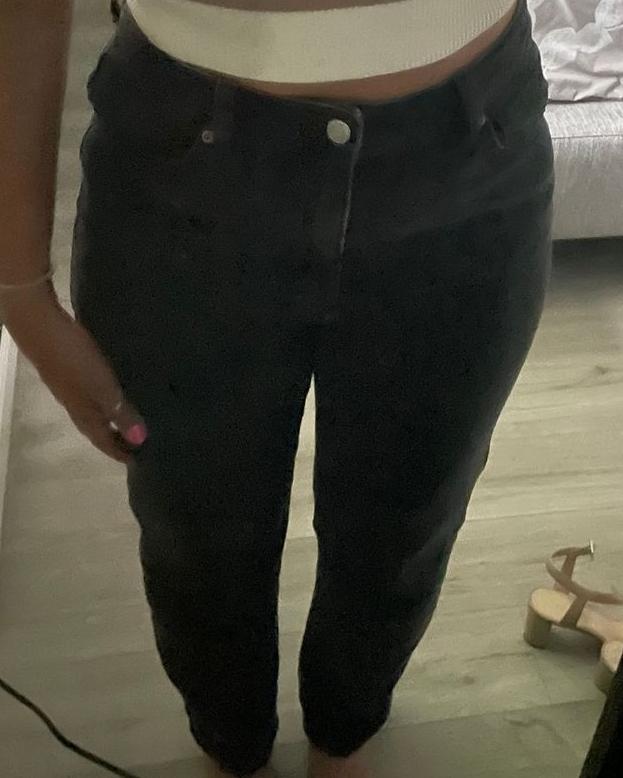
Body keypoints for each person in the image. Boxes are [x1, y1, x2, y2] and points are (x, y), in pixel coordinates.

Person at [0, 0, 554, 776]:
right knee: (196, 537)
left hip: (468, 155)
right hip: (183, 166)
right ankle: (230, 746)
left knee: (406, 522)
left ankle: (344, 737)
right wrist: (19, 290)